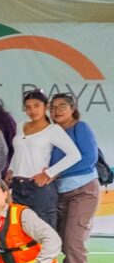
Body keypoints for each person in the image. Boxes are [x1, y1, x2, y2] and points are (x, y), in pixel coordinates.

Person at [49, 92, 101, 263]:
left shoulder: (80, 128)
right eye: (53, 107)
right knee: (62, 240)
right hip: (59, 193)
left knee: (74, 241)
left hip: (83, 190)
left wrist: (58, 171)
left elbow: (89, 158)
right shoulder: (52, 132)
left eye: (62, 106)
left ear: (73, 108)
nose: (57, 110)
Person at [8, 89, 79, 230]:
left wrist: (49, 173)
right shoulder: (20, 126)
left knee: (43, 233)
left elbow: (74, 155)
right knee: (18, 232)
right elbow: (19, 151)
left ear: (46, 107)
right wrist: (11, 169)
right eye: (28, 107)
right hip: (17, 185)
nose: (32, 110)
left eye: (36, 105)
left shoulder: (53, 129)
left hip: (39, 188)